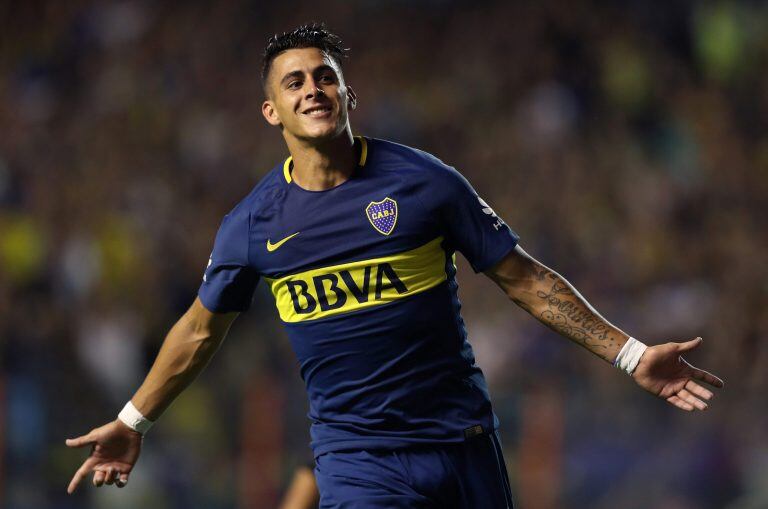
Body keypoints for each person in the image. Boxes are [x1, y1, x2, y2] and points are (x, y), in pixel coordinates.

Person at [66, 23, 724, 508]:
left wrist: (631, 354)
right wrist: (132, 420)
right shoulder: (252, 225)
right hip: (358, 463)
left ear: (348, 92)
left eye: (325, 75)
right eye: (294, 81)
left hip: (465, 445)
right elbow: (198, 330)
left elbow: (525, 279)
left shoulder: (425, 183)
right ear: (272, 111)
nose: (313, 88)